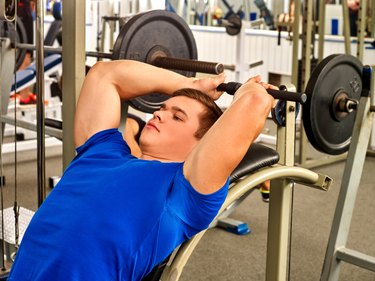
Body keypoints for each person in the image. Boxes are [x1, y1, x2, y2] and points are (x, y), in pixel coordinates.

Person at [8, 59, 274, 281]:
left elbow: (253, 104)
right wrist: (189, 85)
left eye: (177, 116)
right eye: (162, 109)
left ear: (202, 144)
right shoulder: (102, 151)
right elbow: (105, 75)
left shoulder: (184, 191)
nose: (159, 114)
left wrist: (248, 91)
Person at [17, 0, 37, 105]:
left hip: (12, 10)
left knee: (14, 51)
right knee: (26, 53)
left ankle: (18, 91)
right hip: (23, 9)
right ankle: (24, 96)